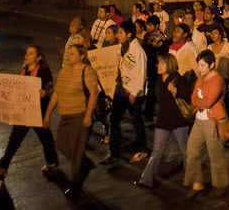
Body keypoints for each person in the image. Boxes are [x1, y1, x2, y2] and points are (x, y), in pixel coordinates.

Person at [0, 46, 59, 179]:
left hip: (38, 111)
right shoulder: (24, 70)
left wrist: (44, 93)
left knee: (45, 137)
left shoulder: (43, 70)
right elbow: (16, 87)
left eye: (31, 54)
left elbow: (50, 89)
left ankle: (52, 161)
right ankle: (3, 168)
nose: (27, 55)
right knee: (14, 139)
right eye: (26, 53)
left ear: (38, 57)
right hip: (24, 111)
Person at [43, 45, 98, 199]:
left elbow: (94, 94)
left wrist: (88, 115)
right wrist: (47, 114)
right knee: (61, 145)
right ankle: (83, 163)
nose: (69, 56)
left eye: (73, 53)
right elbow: (56, 94)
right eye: (68, 53)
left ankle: (76, 184)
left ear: (82, 56)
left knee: (76, 150)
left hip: (80, 116)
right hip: (65, 116)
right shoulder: (64, 71)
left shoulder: (87, 71)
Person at [136, 55, 191, 189]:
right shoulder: (158, 80)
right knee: (156, 151)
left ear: (169, 65)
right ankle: (146, 180)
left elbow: (188, 96)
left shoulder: (179, 79)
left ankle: (191, 177)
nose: (158, 66)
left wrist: (175, 91)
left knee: (186, 151)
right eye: (158, 63)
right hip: (163, 119)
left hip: (178, 120)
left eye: (162, 63)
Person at [185, 50, 229, 198]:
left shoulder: (217, 80)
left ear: (211, 65)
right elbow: (193, 98)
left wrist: (200, 101)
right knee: (192, 150)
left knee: (215, 153)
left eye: (203, 65)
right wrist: (200, 102)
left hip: (213, 120)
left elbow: (209, 101)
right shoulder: (201, 77)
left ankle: (220, 184)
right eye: (199, 65)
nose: (200, 68)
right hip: (199, 119)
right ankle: (197, 182)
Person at [102, 21, 148, 165]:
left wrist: (134, 92)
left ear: (129, 35)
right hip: (120, 91)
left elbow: (141, 72)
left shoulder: (138, 51)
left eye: (121, 33)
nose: (118, 35)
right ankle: (114, 153)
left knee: (136, 121)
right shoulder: (120, 48)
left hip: (133, 93)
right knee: (114, 120)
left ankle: (142, 149)